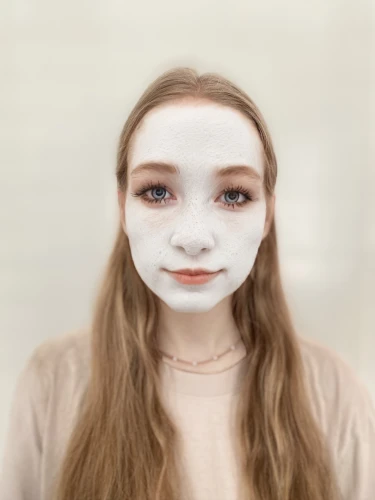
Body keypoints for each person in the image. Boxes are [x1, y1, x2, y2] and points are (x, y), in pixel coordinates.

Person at [1, 67, 374, 500]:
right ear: (123, 209)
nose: (194, 238)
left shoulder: (331, 390)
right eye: (158, 192)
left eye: (233, 195)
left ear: (267, 215)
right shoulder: (54, 381)